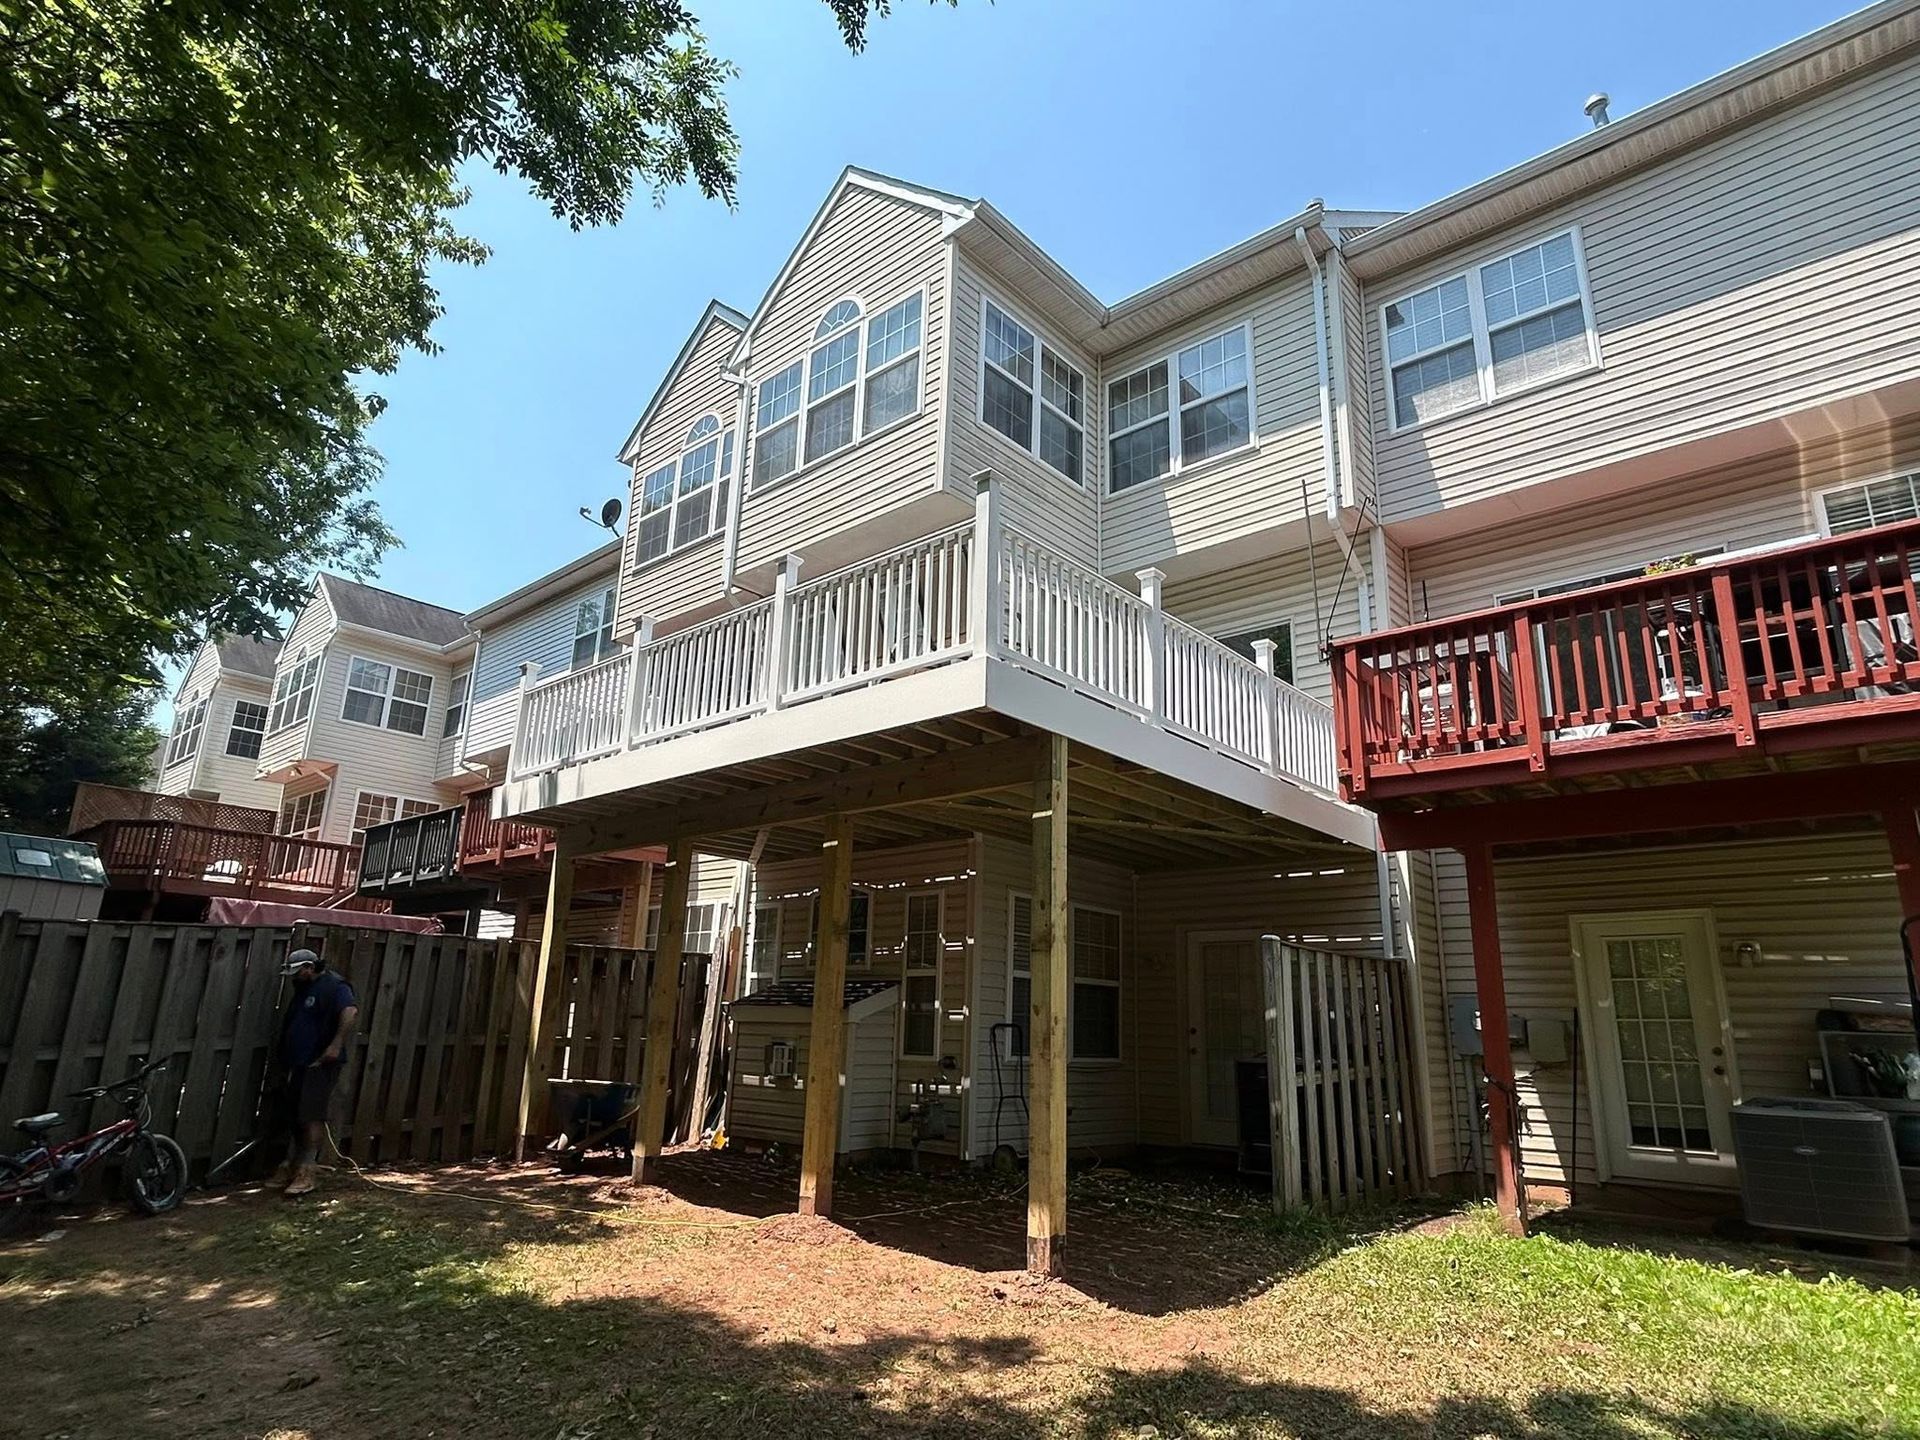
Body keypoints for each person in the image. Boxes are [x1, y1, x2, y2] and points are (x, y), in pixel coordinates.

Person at [270, 947, 358, 1197]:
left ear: (309, 968)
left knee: (311, 1115)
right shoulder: (302, 990)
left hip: (319, 1062)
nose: (294, 978)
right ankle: (291, 1164)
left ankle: (308, 1169)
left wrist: (335, 1044)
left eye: (298, 972)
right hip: (296, 1062)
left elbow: (350, 1012)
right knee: (294, 1115)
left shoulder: (335, 986)